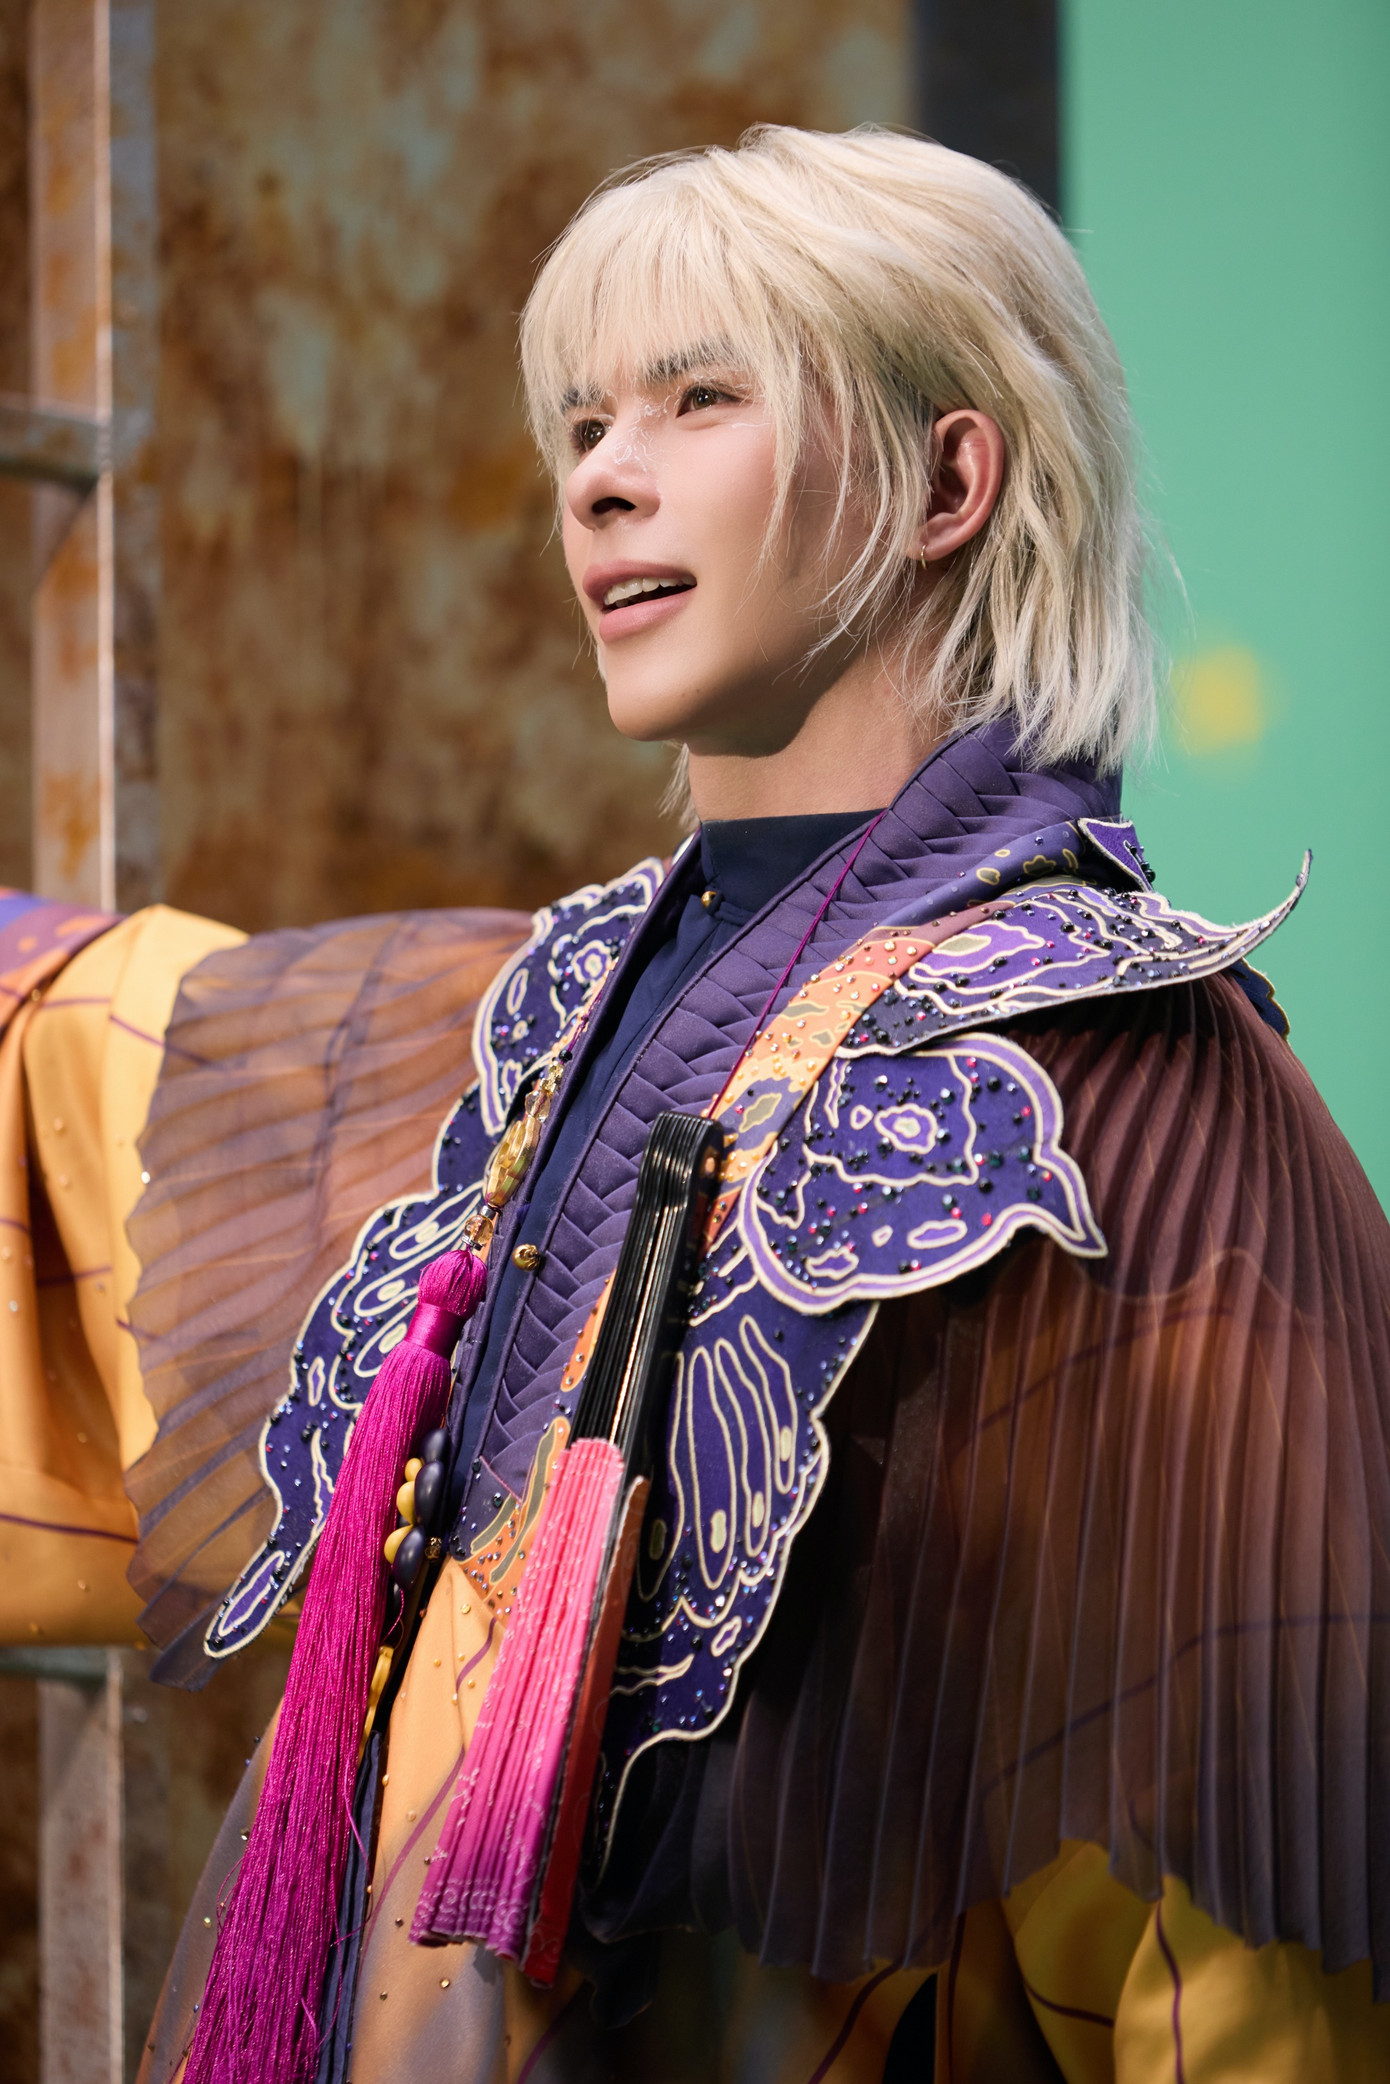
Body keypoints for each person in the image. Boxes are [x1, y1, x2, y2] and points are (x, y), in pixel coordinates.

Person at [4, 126, 1389, 2082]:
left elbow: (1245, 1934)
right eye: (581, 420)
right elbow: (90, 1069)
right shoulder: (550, 1013)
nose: (598, 474)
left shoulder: (1120, 1100)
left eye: (696, 398)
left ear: (946, 481)